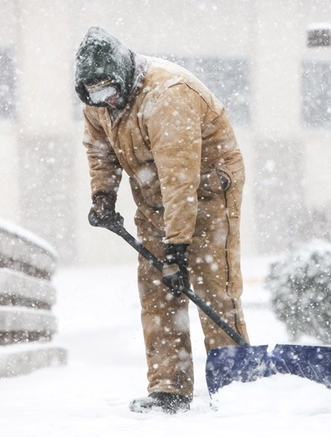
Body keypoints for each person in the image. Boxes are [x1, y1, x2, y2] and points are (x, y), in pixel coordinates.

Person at [74, 26, 250, 414]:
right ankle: (170, 387)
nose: (105, 100)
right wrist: (103, 196)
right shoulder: (99, 102)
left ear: (122, 75)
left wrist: (178, 249)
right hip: (154, 195)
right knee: (156, 289)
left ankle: (236, 381)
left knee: (210, 284)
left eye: (108, 91)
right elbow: (100, 150)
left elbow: (180, 179)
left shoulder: (167, 96)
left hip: (206, 187)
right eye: (96, 95)